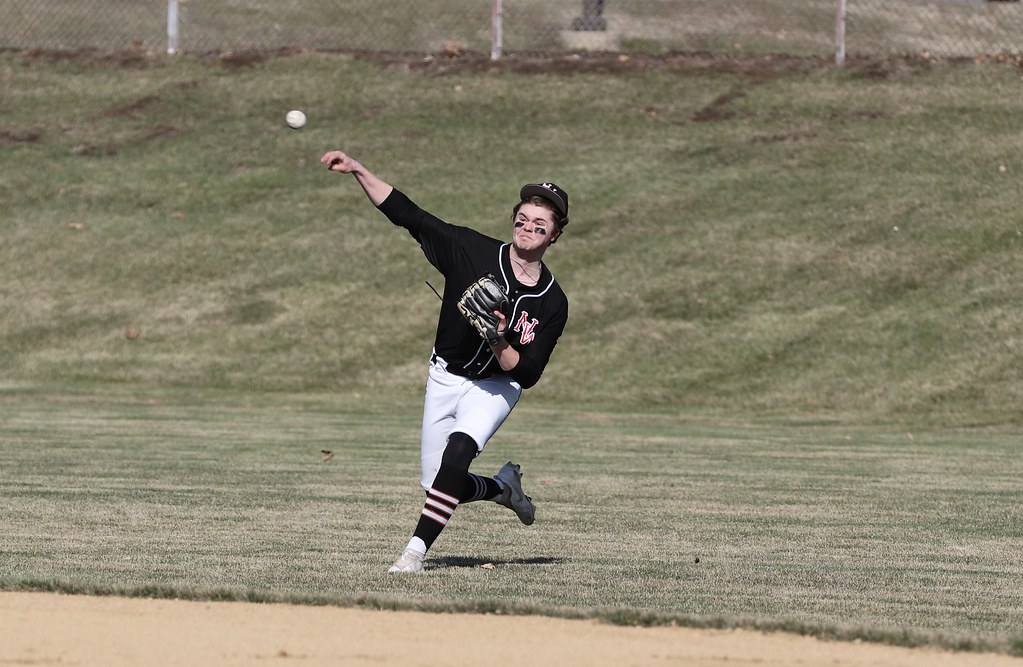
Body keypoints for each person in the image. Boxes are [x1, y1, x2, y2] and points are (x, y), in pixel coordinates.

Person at [319, 149, 570, 574]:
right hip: (445, 375)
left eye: (540, 224)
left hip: (494, 385)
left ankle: (413, 555)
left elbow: (527, 373)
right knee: (440, 484)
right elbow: (409, 215)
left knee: (458, 456)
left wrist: (497, 337)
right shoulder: (468, 250)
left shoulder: (553, 303)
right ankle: (501, 489)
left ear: (554, 236)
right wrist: (359, 170)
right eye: (523, 219)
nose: (529, 228)